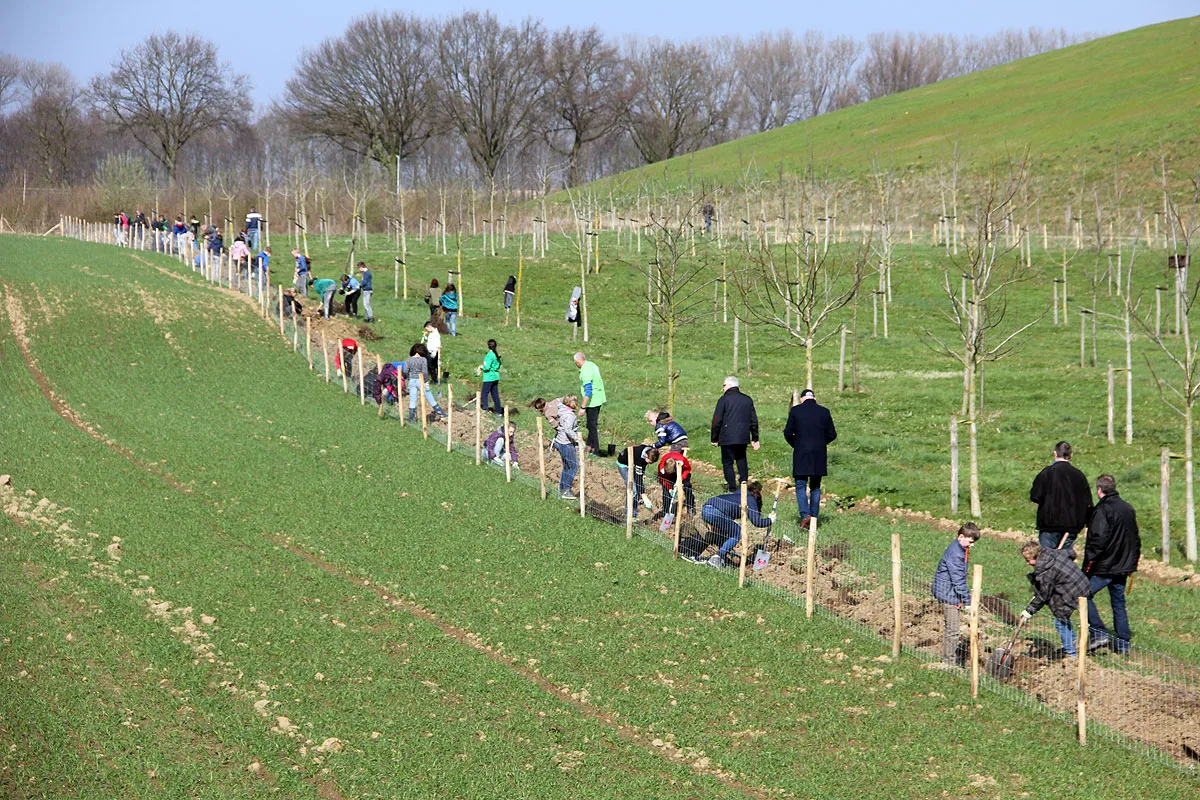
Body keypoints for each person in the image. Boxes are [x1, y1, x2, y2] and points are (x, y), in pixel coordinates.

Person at [1084, 474, 1140, 653]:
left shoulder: (1102, 510)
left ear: (1099, 490)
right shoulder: (1128, 508)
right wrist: (1132, 563)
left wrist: (1087, 567)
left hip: (1105, 567)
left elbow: (1097, 541)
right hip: (1123, 566)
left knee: (1082, 594)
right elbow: (1135, 539)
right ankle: (1123, 645)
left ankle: (1098, 632)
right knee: (1118, 603)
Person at [1019, 540, 1092, 658]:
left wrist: (1029, 611)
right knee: (1063, 617)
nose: (1027, 563)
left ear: (1037, 556)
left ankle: (1071, 654)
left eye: (1028, 560)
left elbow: (1044, 595)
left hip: (1072, 591)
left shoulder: (1046, 571)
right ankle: (1073, 642)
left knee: (1060, 621)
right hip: (1082, 582)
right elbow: (1071, 553)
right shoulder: (1051, 553)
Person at [783, 389, 838, 526]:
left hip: (801, 452)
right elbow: (832, 434)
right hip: (819, 454)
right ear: (814, 398)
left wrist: (796, 444)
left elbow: (788, 432)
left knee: (800, 484)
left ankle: (805, 515)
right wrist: (821, 442)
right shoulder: (824, 411)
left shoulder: (796, 411)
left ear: (802, 398)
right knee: (815, 486)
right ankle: (813, 518)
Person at [931, 523, 981, 668]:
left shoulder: (960, 548)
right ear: (961, 537)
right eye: (970, 542)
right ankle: (949, 663)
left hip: (949, 591)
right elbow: (958, 580)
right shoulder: (956, 554)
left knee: (951, 628)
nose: (972, 545)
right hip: (948, 595)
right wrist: (967, 601)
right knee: (952, 630)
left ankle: (949, 660)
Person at [1030, 441, 1093, 552]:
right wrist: (1088, 524)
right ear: (1070, 455)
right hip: (1071, 526)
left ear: (1055, 454)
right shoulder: (1079, 475)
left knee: (1047, 561)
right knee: (1064, 562)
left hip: (1049, 524)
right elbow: (1087, 503)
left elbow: (1035, 496)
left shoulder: (1046, 473)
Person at [698, 482, 773, 568]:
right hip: (715, 512)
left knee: (726, 531)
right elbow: (757, 522)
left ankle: (721, 555)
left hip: (705, 509)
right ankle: (718, 557)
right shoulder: (750, 499)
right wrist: (770, 520)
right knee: (737, 532)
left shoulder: (736, 496)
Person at [710, 376, 759, 492]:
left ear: (730, 385)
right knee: (741, 459)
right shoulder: (747, 400)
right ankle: (743, 483)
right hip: (743, 436)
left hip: (727, 437)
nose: (723, 388)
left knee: (727, 462)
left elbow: (717, 420)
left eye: (724, 385)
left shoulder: (723, 400)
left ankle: (732, 487)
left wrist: (714, 438)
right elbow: (753, 420)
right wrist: (755, 438)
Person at [404, 343, 446, 423]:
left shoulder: (408, 360)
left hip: (412, 381)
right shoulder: (423, 360)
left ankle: (412, 419)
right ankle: (442, 414)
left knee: (413, 400)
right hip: (421, 380)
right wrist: (426, 381)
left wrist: (409, 377)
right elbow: (425, 372)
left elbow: (405, 371)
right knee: (430, 397)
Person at [574, 352, 606, 455]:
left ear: (578, 362)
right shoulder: (591, 364)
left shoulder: (585, 371)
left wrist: (582, 407)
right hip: (599, 398)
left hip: (593, 401)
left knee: (592, 426)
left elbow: (588, 390)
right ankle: (589, 446)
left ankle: (596, 450)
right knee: (590, 424)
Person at [616, 445, 660, 519]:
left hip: (632, 464)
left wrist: (642, 493)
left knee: (636, 490)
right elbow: (638, 477)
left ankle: (634, 514)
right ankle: (628, 516)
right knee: (633, 491)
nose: (649, 463)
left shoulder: (649, 451)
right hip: (623, 465)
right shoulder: (639, 458)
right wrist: (643, 495)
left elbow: (640, 474)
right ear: (646, 455)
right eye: (649, 462)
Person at [554, 395, 581, 500]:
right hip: (566, 443)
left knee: (567, 467)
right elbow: (568, 430)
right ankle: (566, 490)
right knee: (573, 467)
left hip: (560, 441)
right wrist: (579, 440)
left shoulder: (562, 411)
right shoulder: (570, 415)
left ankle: (562, 489)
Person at [656, 450, 696, 516]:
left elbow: (687, 470)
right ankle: (666, 510)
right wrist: (669, 489)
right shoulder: (662, 469)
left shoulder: (682, 461)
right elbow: (663, 480)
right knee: (666, 492)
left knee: (687, 487)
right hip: (667, 477)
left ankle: (690, 507)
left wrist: (680, 480)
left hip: (682, 472)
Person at [477, 339, 502, 417]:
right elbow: (499, 365)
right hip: (495, 376)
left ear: (488, 346)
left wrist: (481, 367)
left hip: (489, 377)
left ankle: (485, 409)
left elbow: (487, 367)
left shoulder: (489, 355)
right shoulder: (496, 354)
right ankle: (499, 412)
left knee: (484, 393)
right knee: (495, 395)